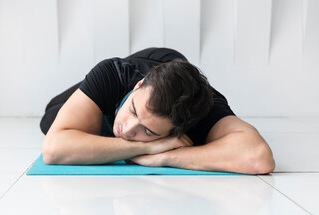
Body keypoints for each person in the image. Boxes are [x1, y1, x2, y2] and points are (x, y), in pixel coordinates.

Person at [40, 47, 275, 174]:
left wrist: (165, 157)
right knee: (50, 119)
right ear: (138, 86)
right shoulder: (115, 73)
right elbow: (53, 149)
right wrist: (149, 145)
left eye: (149, 131)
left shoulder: (204, 111)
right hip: (153, 61)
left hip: (178, 72)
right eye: (132, 110)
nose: (128, 128)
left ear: (176, 131)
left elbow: (258, 158)